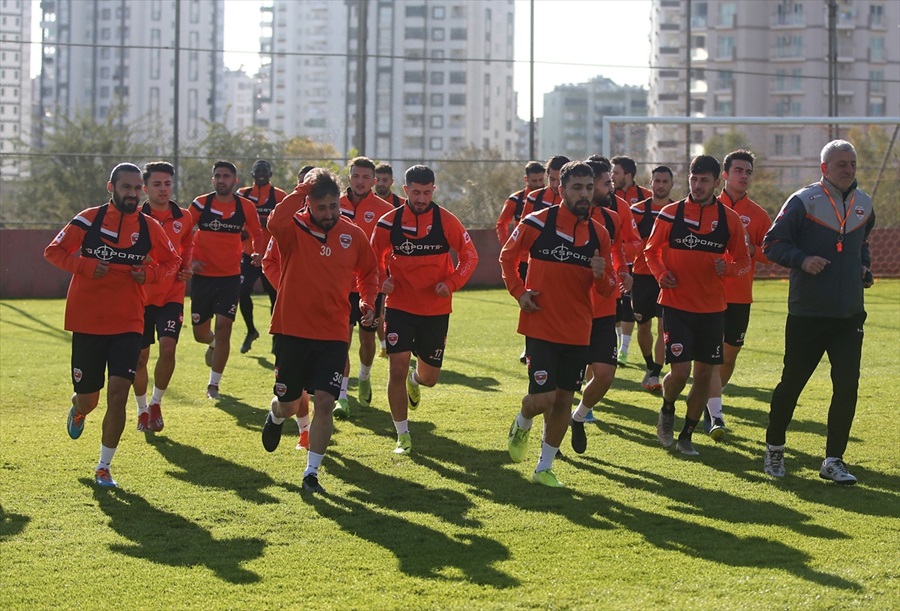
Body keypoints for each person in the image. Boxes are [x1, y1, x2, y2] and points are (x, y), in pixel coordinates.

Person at [45, 163, 181, 487]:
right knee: (90, 398)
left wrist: (149, 275)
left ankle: (104, 467)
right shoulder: (88, 219)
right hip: (88, 321)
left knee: (118, 394)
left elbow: (173, 260)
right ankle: (79, 409)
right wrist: (86, 266)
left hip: (129, 321)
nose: (133, 194)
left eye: (137, 188)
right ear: (112, 188)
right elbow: (53, 251)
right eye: (126, 188)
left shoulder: (149, 227)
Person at [762, 140, 874, 484]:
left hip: (849, 316)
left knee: (847, 387)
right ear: (824, 168)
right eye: (841, 163)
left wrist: (864, 270)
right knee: (791, 384)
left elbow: (862, 245)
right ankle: (775, 450)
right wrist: (803, 260)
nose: (848, 169)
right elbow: (772, 244)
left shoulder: (865, 204)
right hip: (808, 314)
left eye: (852, 163)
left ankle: (833, 460)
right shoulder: (802, 201)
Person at [260, 168, 378, 494]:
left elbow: (369, 273)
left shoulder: (352, 234)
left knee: (324, 401)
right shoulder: (292, 229)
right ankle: (275, 415)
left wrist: (367, 301)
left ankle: (311, 473)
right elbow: (274, 221)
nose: (329, 214)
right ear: (308, 203)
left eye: (333, 207)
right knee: (289, 403)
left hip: (334, 332)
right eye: (321, 207)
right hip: (291, 330)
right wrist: (302, 188)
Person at [501, 161, 615, 487]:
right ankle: (522, 421)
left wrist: (600, 274)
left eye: (589, 188)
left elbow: (607, 289)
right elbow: (508, 258)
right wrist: (519, 292)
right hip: (540, 326)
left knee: (564, 400)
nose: (584, 194)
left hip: (579, 331)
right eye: (577, 188)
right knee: (543, 400)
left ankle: (544, 468)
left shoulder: (600, 234)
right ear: (561, 189)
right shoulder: (536, 222)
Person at [644, 154, 751, 456]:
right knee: (680, 372)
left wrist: (727, 269)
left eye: (705, 180)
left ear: (717, 182)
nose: (698, 185)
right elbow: (650, 251)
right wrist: (662, 274)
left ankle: (687, 434)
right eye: (694, 178)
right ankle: (667, 408)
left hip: (713, 310)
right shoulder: (670, 213)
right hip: (676, 306)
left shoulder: (729, 219)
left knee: (704, 375)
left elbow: (743, 261)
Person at [370, 165, 479, 455]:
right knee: (396, 367)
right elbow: (372, 261)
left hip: (435, 309)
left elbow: (469, 255)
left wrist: (452, 281)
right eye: (416, 192)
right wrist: (383, 280)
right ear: (405, 190)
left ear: (434, 190)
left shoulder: (446, 221)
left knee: (430, 378)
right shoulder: (388, 222)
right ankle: (402, 434)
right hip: (400, 308)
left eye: (427, 192)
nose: (421, 198)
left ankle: (415, 380)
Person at [705, 150, 772, 440]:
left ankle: (709, 403)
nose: (743, 176)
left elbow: (771, 252)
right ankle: (713, 411)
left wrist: (751, 248)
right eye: (738, 171)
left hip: (740, 296)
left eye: (748, 172)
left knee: (729, 356)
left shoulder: (758, 215)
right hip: (707, 294)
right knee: (710, 355)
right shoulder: (706, 206)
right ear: (725, 174)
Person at [568, 159, 632, 452]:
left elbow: (617, 249)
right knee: (561, 386)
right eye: (606, 183)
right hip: (570, 309)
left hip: (605, 306)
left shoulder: (612, 217)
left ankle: (578, 416)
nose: (612, 187)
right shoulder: (560, 219)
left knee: (605, 374)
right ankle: (548, 442)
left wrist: (623, 272)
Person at [188, 161, 265, 399]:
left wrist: (257, 252)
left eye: (227, 176)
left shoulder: (245, 206)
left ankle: (214, 385)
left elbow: (257, 232)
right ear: (213, 180)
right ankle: (211, 343)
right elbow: (182, 234)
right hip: (202, 277)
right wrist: (190, 260)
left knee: (224, 329)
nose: (222, 180)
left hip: (231, 277)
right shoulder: (200, 204)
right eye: (218, 176)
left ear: (235, 181)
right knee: (201, 334)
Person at [133, 161, 194, 433]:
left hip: (172, 293)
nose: (163, 189)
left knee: (168, 347)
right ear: (145, 188)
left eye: (167, 183)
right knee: (140, 358)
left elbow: (188, 244)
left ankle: (157, 403)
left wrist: (186, 266)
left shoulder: (184, 216)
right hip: (141, 297)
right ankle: (142, 409)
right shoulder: (134, 217)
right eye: (157, 184)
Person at [334, 157, 394, 418]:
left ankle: (365, 375)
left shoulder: (384, 210)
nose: (360, 182)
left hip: (372, 285)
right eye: (356, 176)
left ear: (374, 181)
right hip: (338, 285)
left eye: (365, 177)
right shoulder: (334, 203)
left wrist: (390, 277)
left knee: (367, 339)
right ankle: (342, 396)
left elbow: (393, 249)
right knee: (340, 341)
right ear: (349, 178)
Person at [630, 165, 675, 392]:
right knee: (643, 326)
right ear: (650, 184)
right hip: (641, 277)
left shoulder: (677, 211)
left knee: (663, 325)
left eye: (665, 181)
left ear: (671, 185)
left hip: (666, 278)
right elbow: (626, 242)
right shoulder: (636, 212)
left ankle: (656, 373)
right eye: (657, 181)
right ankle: (650, 365)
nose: (660, 185)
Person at [496, 160, 546, 363]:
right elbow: (501, 224)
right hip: (524, 260)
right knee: (528, 301)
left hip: (542, 258)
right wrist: (509, 246)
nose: (538, 184)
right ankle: (529, 349)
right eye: (534, 180)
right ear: (526, 180)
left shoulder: (550, 198)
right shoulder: (516, 200)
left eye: (541, 180)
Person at [237, 160, 287, 354]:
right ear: (252, 173)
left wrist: (265, 223)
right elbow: (236, 217)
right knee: (242, 291)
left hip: (272, 257)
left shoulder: (280, 196)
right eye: (257, 171)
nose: (261, 174)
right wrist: (242, 230)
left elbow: (284, 222)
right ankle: (251, 331)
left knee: (275, 298)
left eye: (264, 171)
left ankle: (276, 337)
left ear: (270, 173)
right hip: (249, 254)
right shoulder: (243, 194)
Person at [610, 155, 648, 367]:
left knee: (628, 307)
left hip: (638, 264)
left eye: (616, 173)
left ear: (628, 175)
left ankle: (623, 350)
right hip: (612, 261)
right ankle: (614, 345)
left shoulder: (645, 196)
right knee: (613, 307)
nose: (612, 177)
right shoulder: (606, 196)